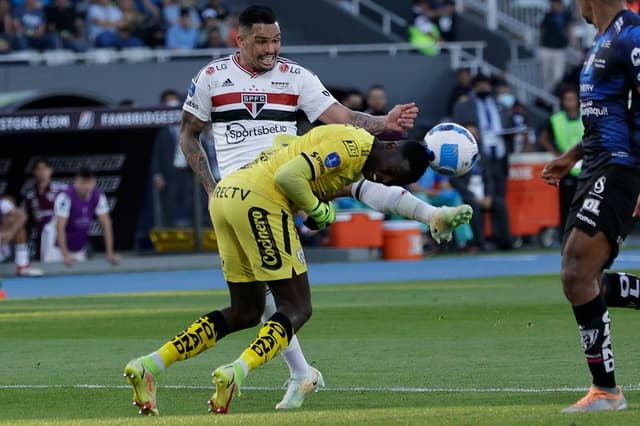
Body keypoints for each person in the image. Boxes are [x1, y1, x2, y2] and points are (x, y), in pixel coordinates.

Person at [123, 4, 469, 414]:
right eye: (261, 41)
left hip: (267, 182)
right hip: (262, 191)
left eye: (276, 40)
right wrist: (211, 187)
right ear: (240, 39)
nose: (270, 49)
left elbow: (344, 118)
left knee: (256, 301)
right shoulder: (212, 77)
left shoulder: (296, 77)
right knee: (293, 301)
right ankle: (257, 371)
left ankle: (177, 365)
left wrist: (384, 119)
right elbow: (188, 136)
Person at [541, 0, 640, 413]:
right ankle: (605, 391)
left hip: (619, 168)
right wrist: (571, 155)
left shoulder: (630, 35)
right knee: (584, 278)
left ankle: (606, 391)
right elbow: (606, 115)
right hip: (595, 165)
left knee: (576, 271)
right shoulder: (600, 40)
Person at [453, 73, 514, 250]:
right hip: (477, 155)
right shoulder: (464, 107)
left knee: (498, 198)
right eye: (479, 85)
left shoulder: (500, 106)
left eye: (486, 85)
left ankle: (502, 239)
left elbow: (507, 126)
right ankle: (480, 240)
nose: (483, 88)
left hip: (498, 157)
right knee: (477, 200)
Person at [41, 168, 120, 266]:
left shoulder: (98, 196)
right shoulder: (65, 197)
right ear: (76, 182)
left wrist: (110, 253)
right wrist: (65, 255)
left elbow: (106, 225)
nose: (86, 186)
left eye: (89, 183)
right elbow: (60, 228)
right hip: (54, 243)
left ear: (94, 183)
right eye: (83, 182)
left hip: (77, 246)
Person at [539, 86, 583, 241]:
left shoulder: (586, 116)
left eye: (572, 99)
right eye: (567, 99)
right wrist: (558, 155)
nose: (570, 102)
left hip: (587, 166)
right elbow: (543, 137)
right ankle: (567, 235)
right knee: (567, 205)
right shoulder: (556, 119)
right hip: (567, 167)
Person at [21, 157, 67, 261]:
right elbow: (25, 219)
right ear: (34, 172)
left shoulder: (62, 190)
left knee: (49, 228)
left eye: (45, 168)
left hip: (58, 235)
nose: (42, 172)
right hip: (37, 238)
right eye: (38, 169)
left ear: (51, 170)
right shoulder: (29, 194)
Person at [0, 195, 43, 276]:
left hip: (3, 243)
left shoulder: (2, 203)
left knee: (20, 229)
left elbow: (22, 216)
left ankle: (22, 266)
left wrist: (10, 233)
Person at [539, 0, 573, 92]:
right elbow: (542, 30)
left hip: (559, 49)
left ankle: (555, 92)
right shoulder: (548, 15)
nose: (555, 6)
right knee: (546, 74)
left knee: (558, 75)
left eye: (557, 4)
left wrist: (572, 43)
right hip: (547, 48)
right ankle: (547, 94)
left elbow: (569, 30)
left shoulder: (566, 15)